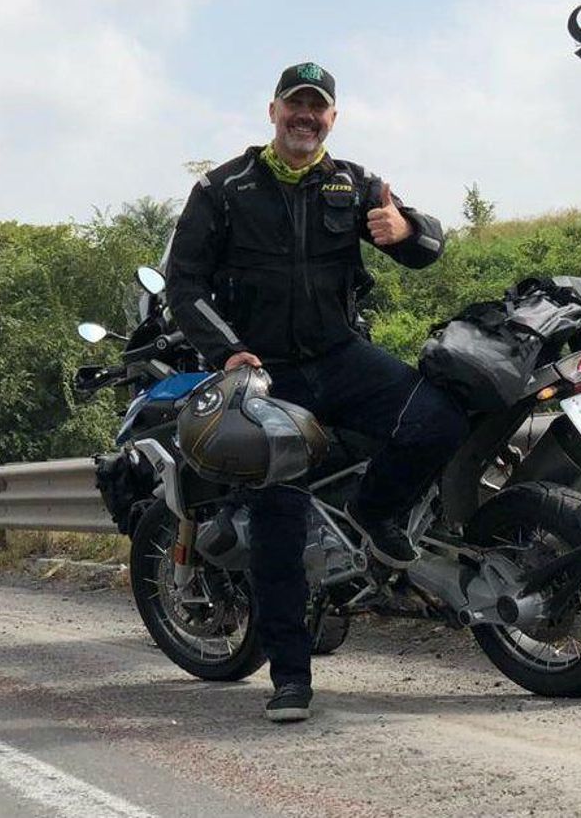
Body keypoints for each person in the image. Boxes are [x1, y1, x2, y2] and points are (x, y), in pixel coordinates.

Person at [166, 62, 469, 722]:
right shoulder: (222, 189)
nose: (306, 117)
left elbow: (426, 246)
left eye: (318, 107)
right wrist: (228, 351)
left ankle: (375, 510)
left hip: (342, 356)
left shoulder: (354, 183)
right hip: (266, 371)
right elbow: (182, 284)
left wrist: (408, 232)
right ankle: (292, 677)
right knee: (278, 523)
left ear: (332, 117)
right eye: (295, 106)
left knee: (438, 420)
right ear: (272, 111)